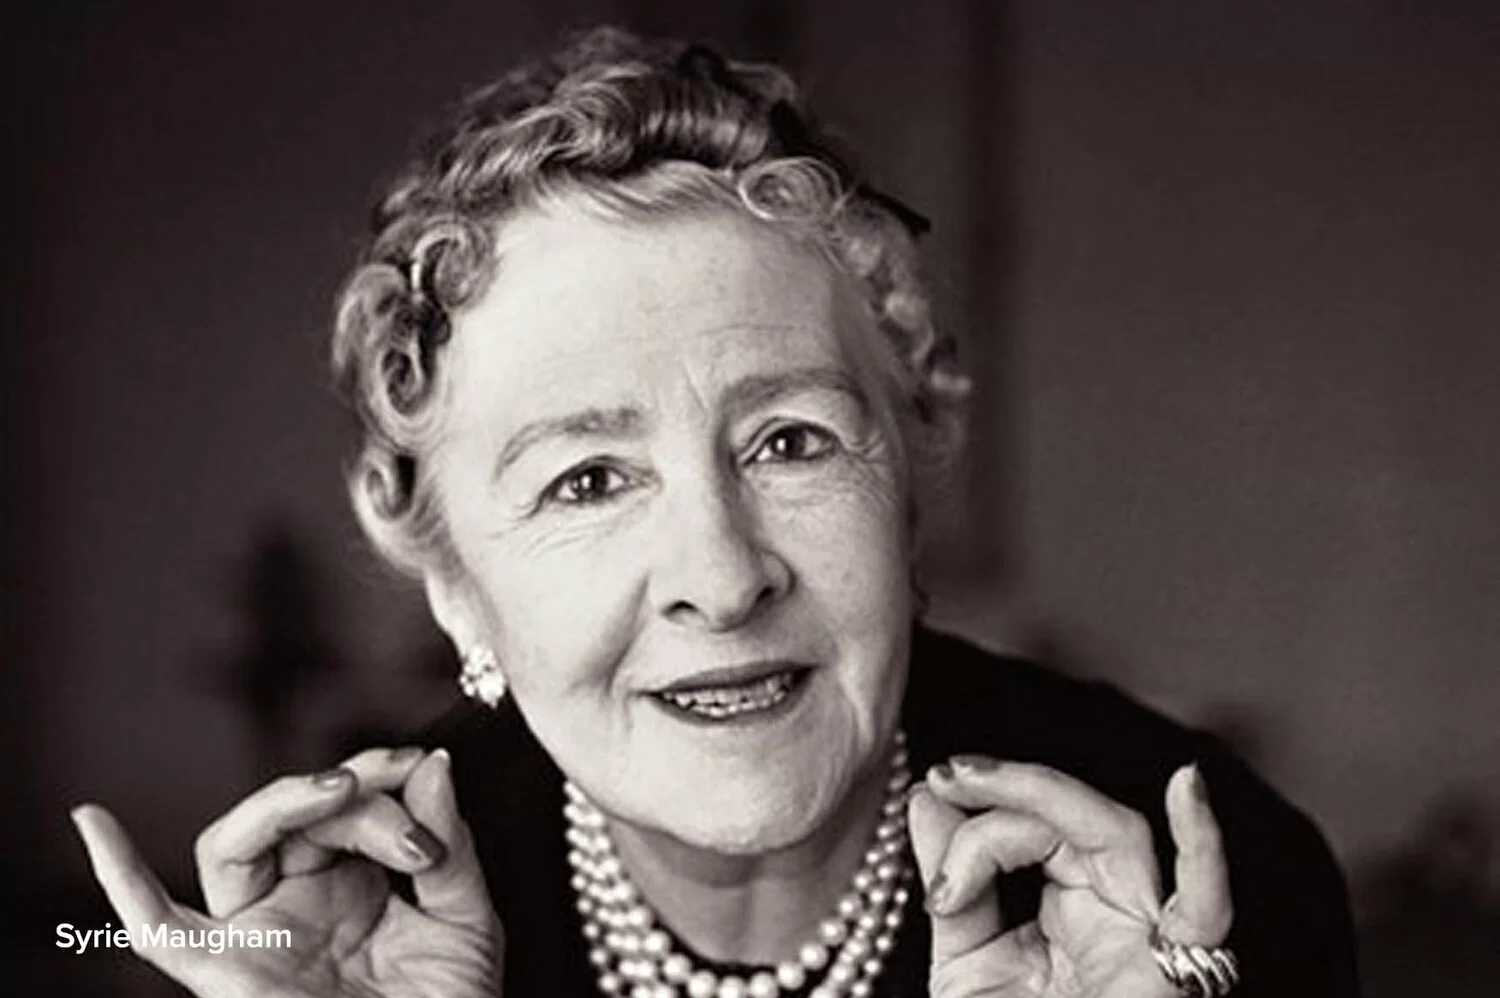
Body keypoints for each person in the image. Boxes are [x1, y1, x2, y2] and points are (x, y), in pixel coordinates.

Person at [70, 27, 1360, 998]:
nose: (723, 576)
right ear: (454, 584)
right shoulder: (355, 934)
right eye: (587, 479)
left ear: (909, 480)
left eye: (791, 442)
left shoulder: (1206, 882)